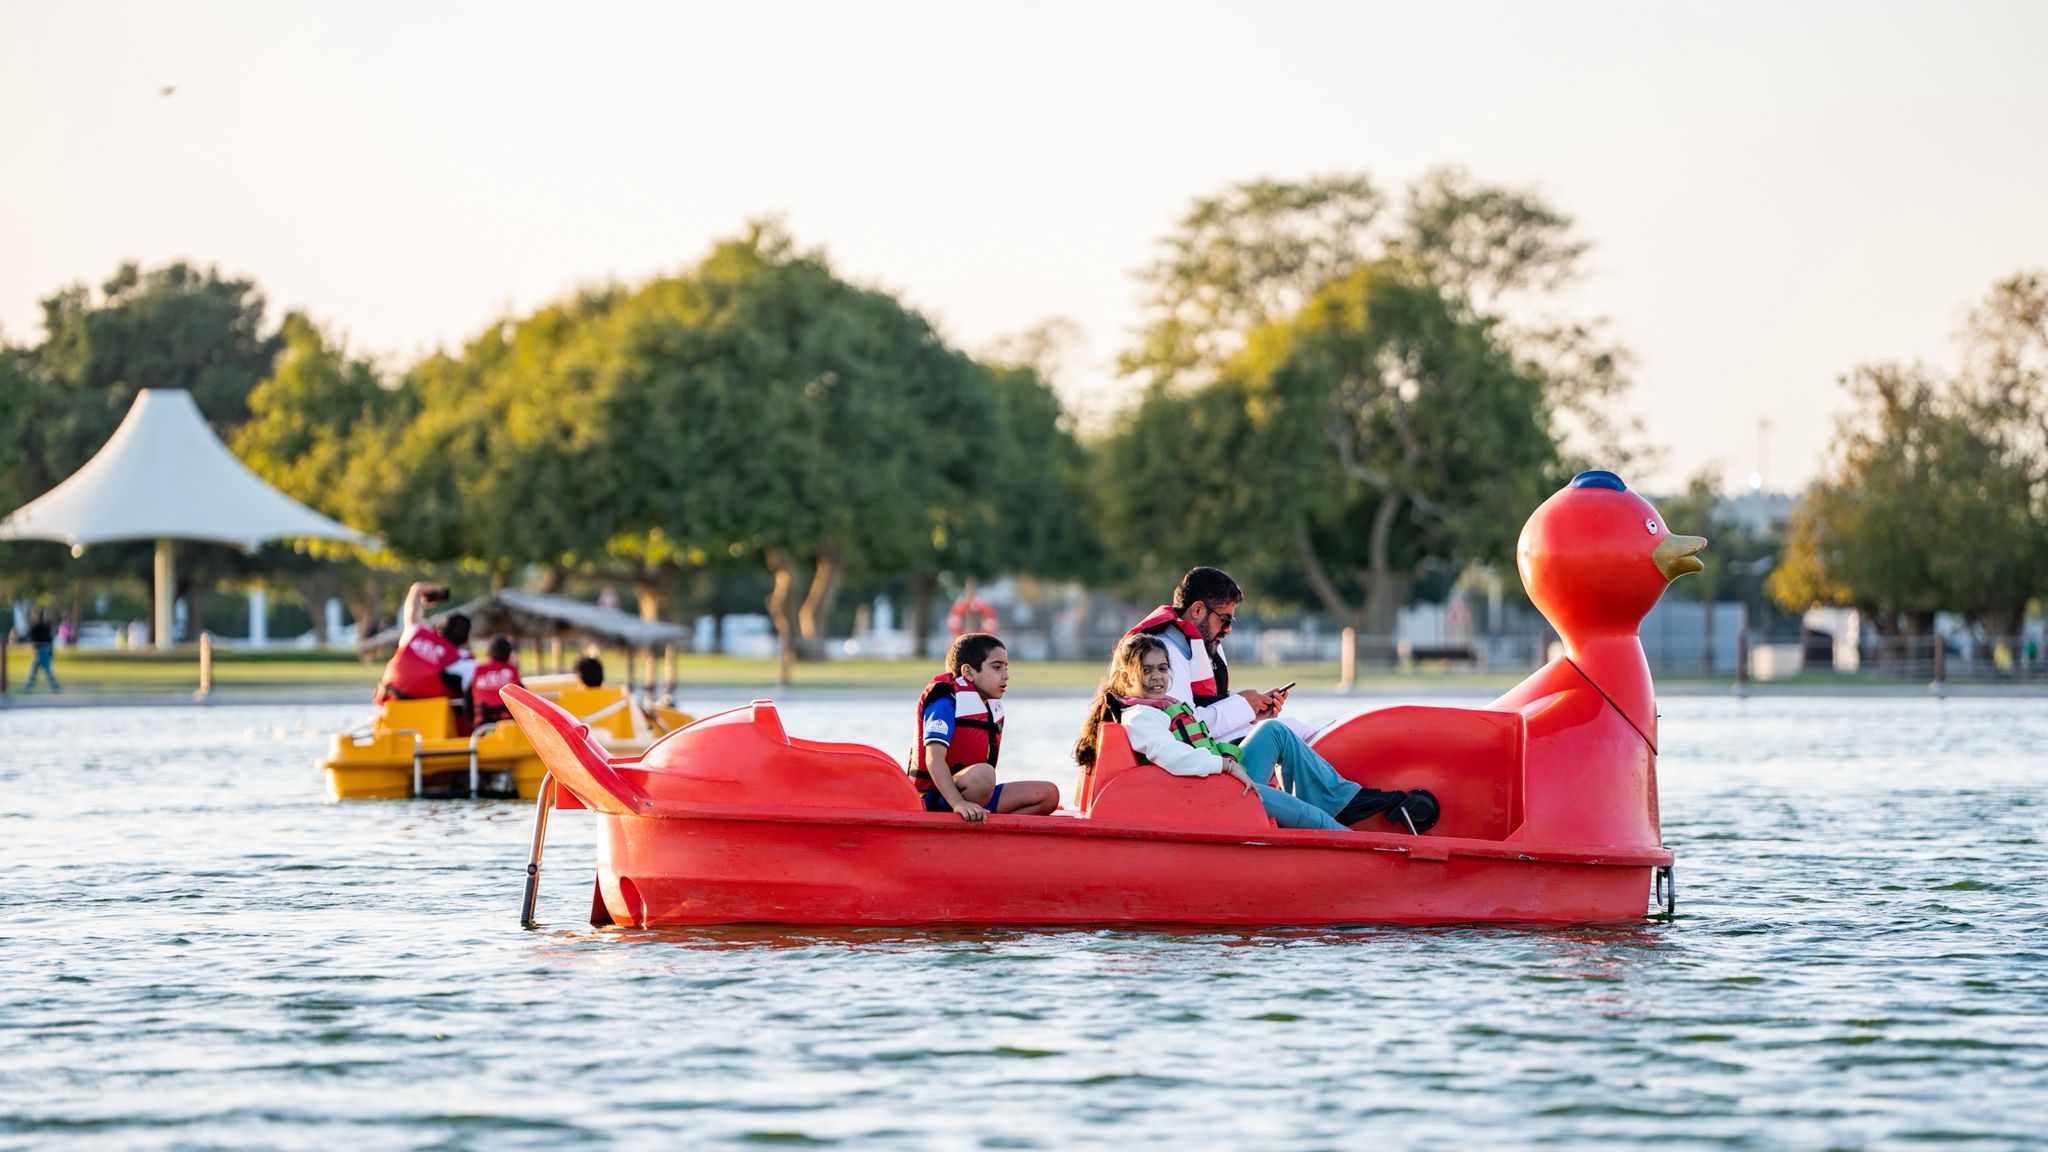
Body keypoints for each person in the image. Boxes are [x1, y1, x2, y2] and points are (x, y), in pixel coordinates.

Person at [1075, 633, 1438, 833]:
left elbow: (1194, 743)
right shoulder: (1140, 716)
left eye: (1162, 669)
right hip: (1211, 793)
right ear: (1126, 678)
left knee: (1274, 731)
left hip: (1217, 779)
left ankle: (1342, 801)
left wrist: (1227, 757)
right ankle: (1347, 842)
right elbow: (1172, 756)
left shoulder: (1162, 705)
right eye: (1147, 671)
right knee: (1314, 822)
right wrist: (1225, 767)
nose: (1157, 677)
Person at [910, 632, 1060, 822]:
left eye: (1006, 668)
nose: (1006, 676)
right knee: (984, 775)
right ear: (969, 672)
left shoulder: (989, 707)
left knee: (1048, 794)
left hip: (976, 792)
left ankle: (988, 831)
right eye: (997, 667)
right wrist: (958, 803)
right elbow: (934, 760)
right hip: (935, 798)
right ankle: (964, 820)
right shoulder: (945, 701)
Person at [1125, 566, 1286, 744]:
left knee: (1288, 728)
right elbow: (1182, 726)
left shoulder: (1208, 644)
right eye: (1224, 620)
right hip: (1197, 756)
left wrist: (1251, 713)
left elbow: (1208, 714)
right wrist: (1243, 706)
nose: (1228, 629)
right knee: (1279, 732)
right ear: (1197, 610)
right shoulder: (1161, 653)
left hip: (1212, 747)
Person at [373, 582, 474, 706]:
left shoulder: (413, 633)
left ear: (439, 627)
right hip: (430, 715)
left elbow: (415, 591)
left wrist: (432, 590)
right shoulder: (463, 660)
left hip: (391, 704)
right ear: (466, 640)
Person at [471, 635, 523, 726]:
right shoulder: (511, 670)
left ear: (489, 652)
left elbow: (469, 697)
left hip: (482, 726)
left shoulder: (479, 670)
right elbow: (521, 698)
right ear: (509, 654)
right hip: (508, 725)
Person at [22, 608, 59, 692]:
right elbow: (49, 639)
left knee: (45, 669)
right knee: (37, 669)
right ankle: (29, 687)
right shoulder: (44, 625)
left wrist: (18, 640)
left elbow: (29, 636)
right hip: (43, 649)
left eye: (33, 614)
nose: (31, 616)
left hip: (41, 650)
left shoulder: (37, 626)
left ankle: (54, 686)